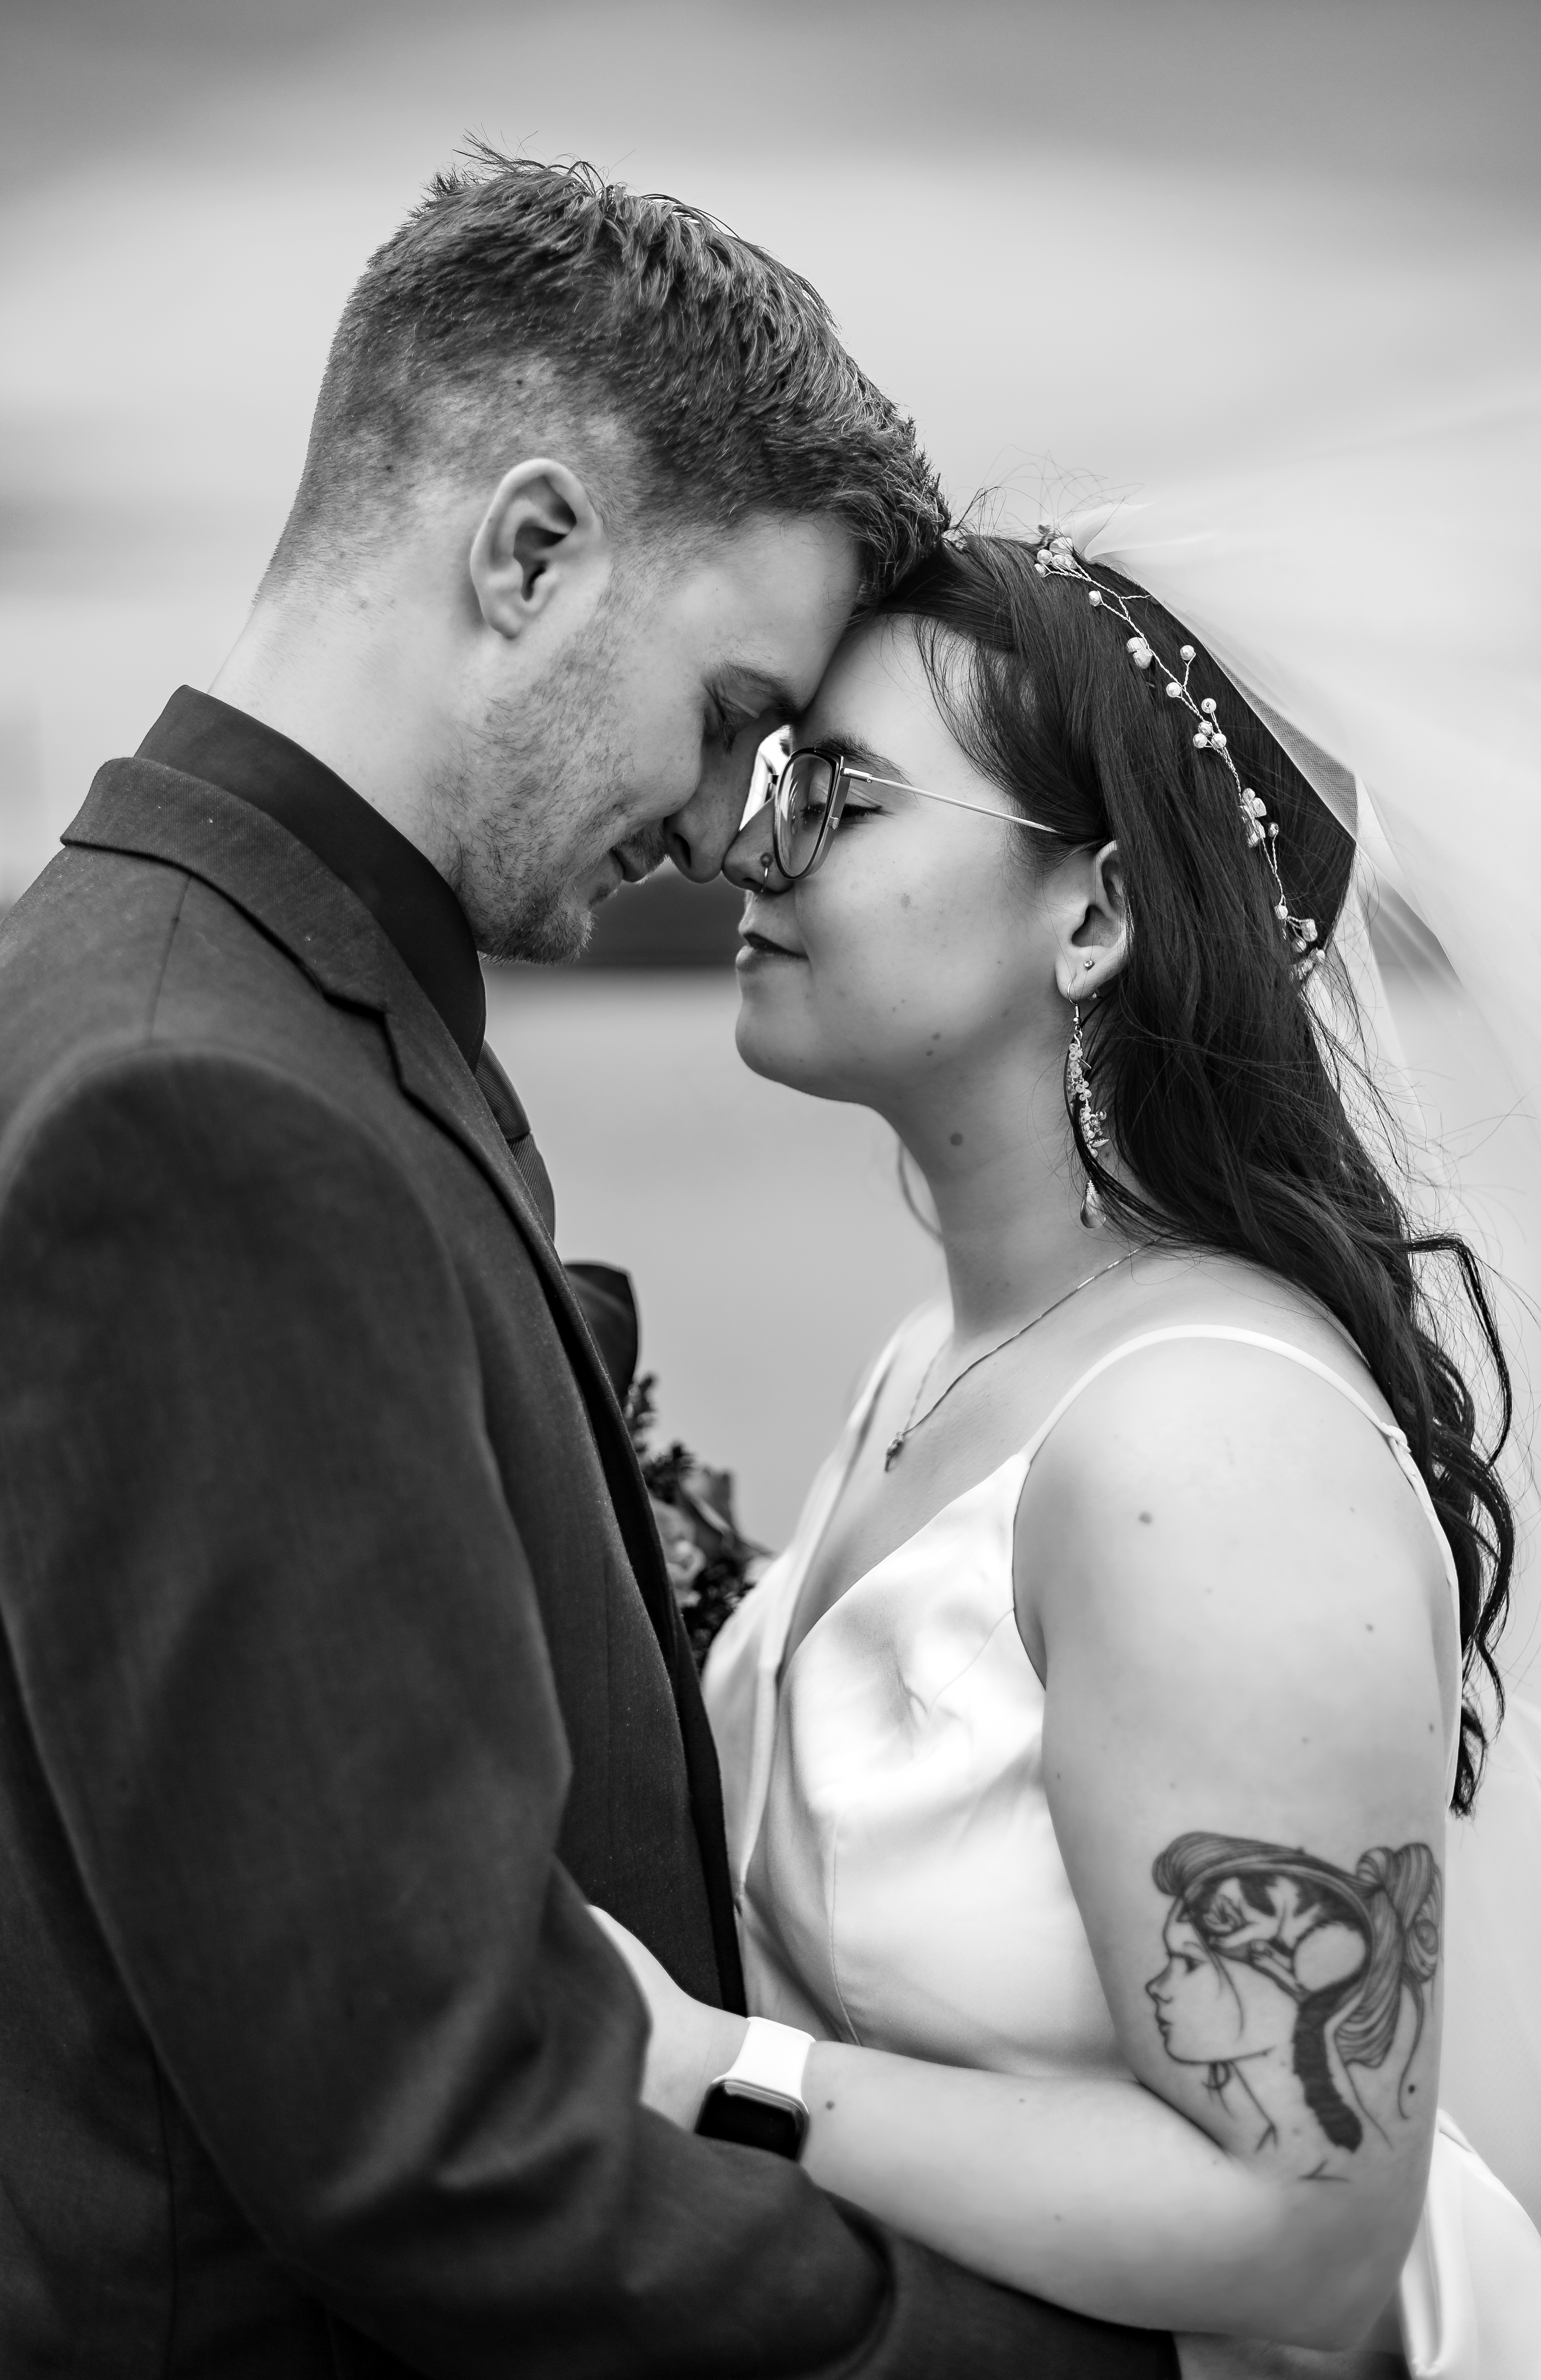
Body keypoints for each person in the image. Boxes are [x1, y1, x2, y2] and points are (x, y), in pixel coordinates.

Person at [0, 160, 1183, 2378]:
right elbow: (440, 2148)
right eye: (737, 710)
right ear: (530, 551)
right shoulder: (207, 1109)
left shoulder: (177, 982)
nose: (735, 815)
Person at [594, 524, 1541, 2375]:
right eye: (771, 779)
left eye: (842, 797)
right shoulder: (940, 1358)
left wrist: (718, 2079)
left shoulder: (1201, 1457)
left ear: (1097, 914)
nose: (747, 841)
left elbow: (1305, 2240)